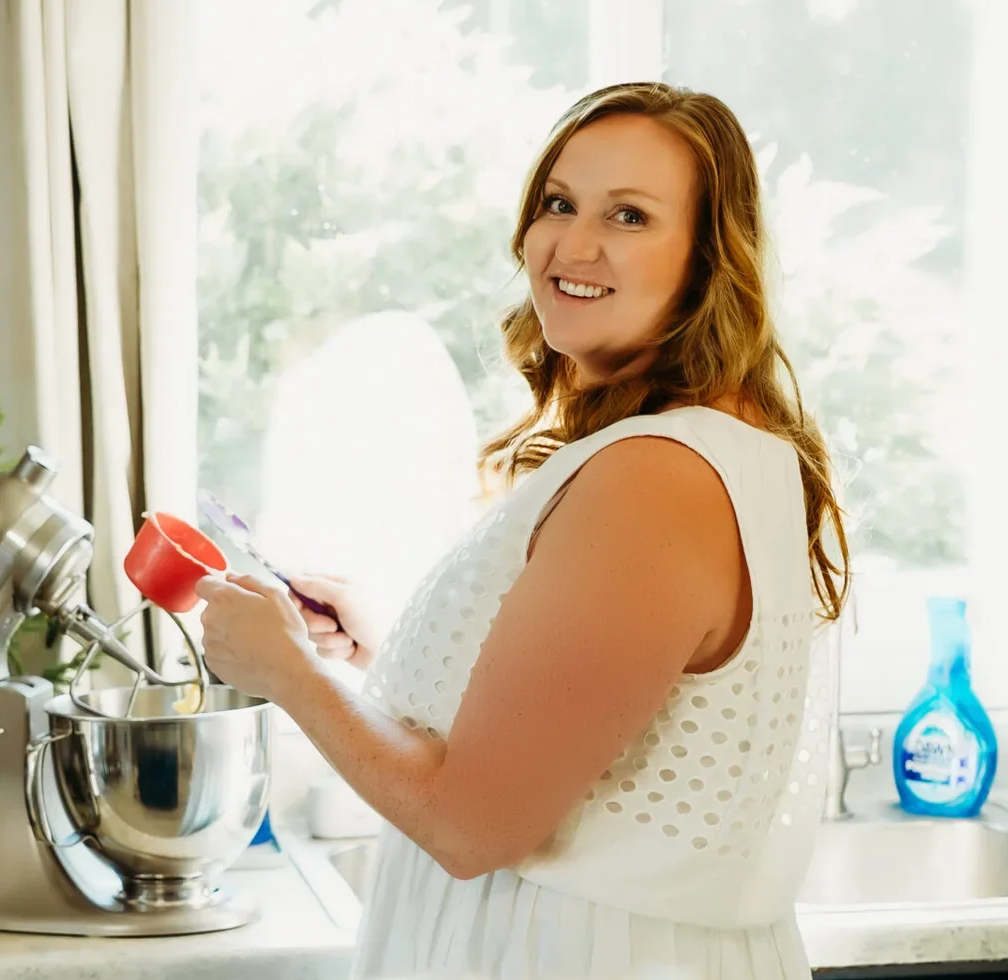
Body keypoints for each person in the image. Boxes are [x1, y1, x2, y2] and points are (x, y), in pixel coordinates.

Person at [194, 81, 851, 980]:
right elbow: (596, 735)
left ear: (708, 259)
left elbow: (471, 829)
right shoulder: (704, 449)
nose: (572, 247)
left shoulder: (656, 476)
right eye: (559, 203)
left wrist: (289, 674)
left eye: (629, 215)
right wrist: (391, 661)